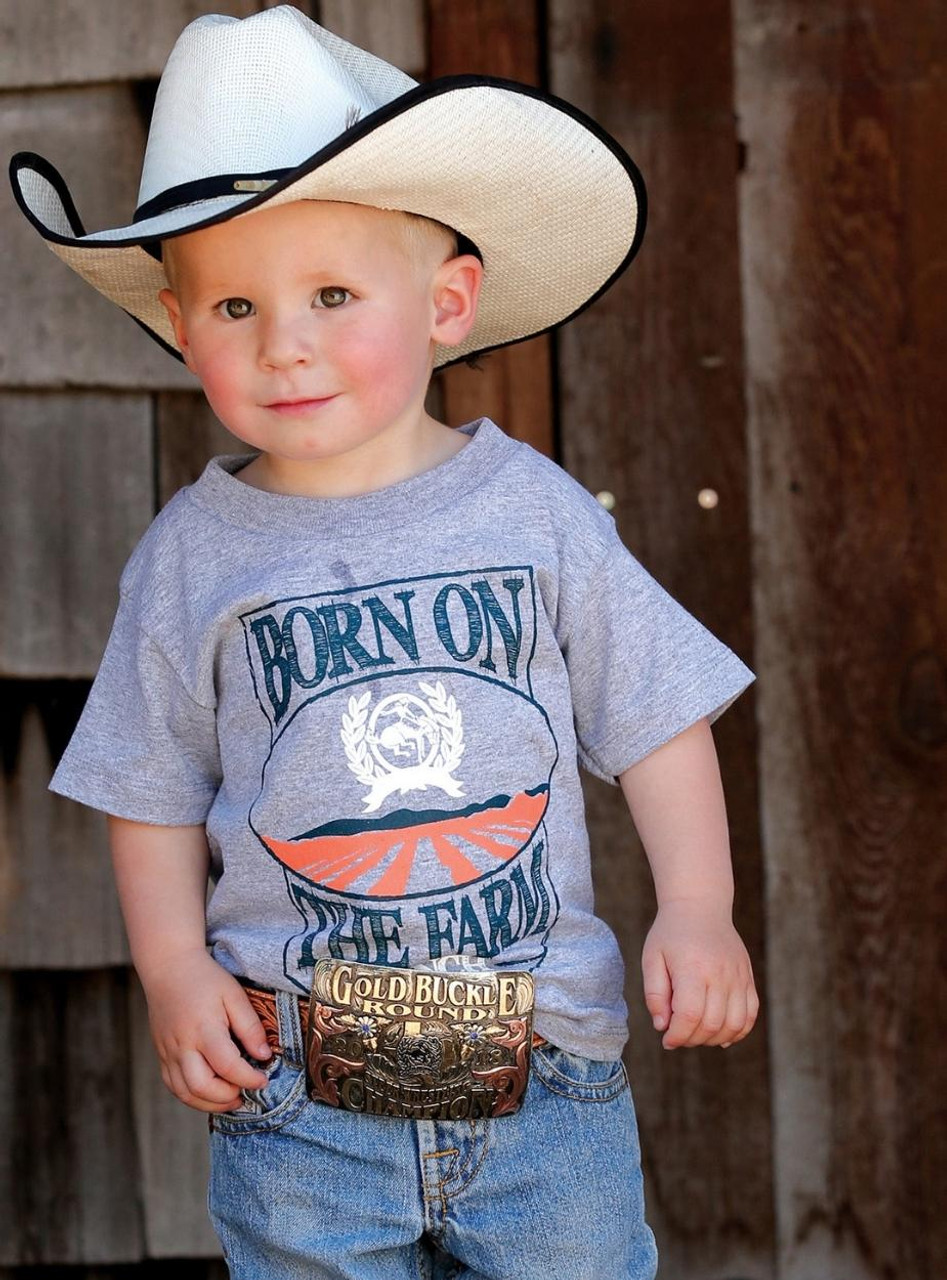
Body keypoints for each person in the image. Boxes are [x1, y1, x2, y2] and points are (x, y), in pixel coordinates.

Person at [11, 7, 758, 1278]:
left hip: (541, 1084)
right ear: (180, 325)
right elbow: (144, 785)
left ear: (447, 302)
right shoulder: (192, 556)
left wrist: (698, 905)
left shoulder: (531, 513)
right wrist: (174, 969)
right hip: (300, 1097)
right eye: (234, 302)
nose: (282, 340)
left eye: (332, 293)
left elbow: (654, 712)